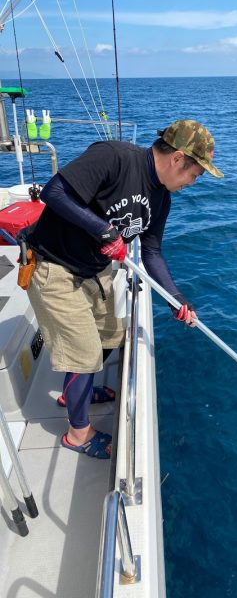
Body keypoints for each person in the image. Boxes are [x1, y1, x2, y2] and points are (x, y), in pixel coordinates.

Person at [22, 119, 223, 459]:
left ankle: (75, 393)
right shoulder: (114, 157)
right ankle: (77, 433)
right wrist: (103, 231)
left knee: (109, 338)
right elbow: (53, 192)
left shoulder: (162, 199)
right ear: (177, 158)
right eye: (195, 173)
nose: (193, 181)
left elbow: (152, 252)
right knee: (84, 357)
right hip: (53, 266)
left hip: (93, 270)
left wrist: (176, 299)